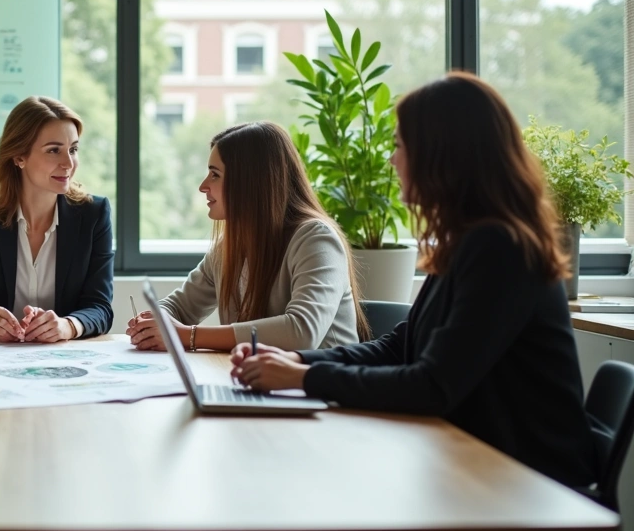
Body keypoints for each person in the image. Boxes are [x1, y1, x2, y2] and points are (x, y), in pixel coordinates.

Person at [233, 73, 598, 489]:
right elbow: (400, 347)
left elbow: (432, 385)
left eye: (400, 146)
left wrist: (302, 378)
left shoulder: (501, 247)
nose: (393, 160)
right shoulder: (469, 240)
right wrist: (299, 361)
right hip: (479, 463)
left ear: (440, 156)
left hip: (530, 484)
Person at [126, 121, 365, 353]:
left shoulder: (316, 240)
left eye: (215, 175)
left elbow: (301, 332)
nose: (203, 186)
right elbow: (179, 307)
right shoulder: (228, 248)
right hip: (261, 378)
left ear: (250, 182)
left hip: (322, 379)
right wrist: (154, 321)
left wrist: (187, 336)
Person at [0, 96, 113, 342]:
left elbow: (100, 308)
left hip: (64, 357)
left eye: (73, 150)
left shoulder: (93, 214)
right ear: (19, 156)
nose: (68, 163)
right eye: (54, 150)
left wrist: (67, 326)